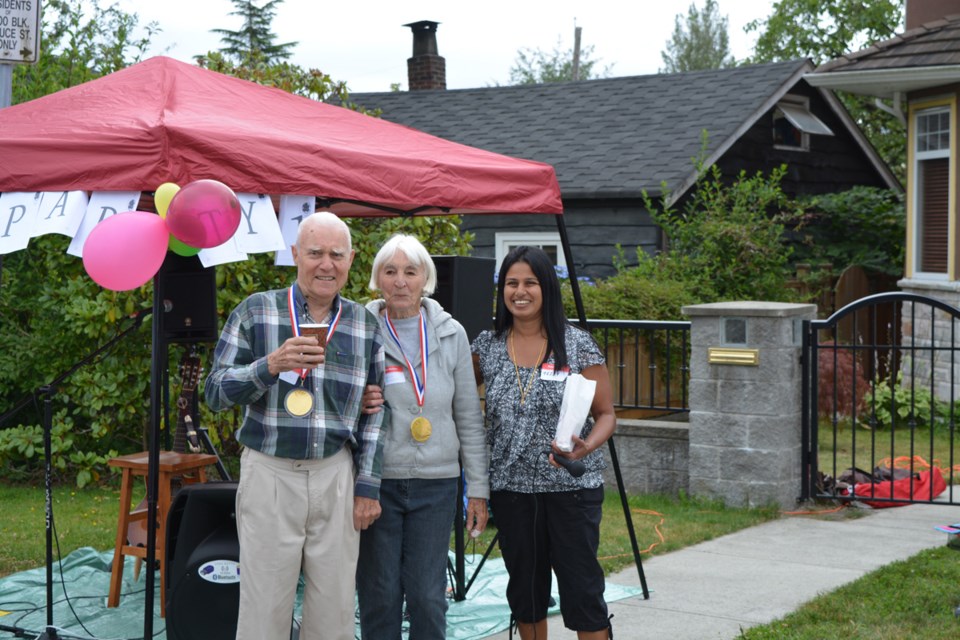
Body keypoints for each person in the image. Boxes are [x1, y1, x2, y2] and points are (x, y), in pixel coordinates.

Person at [204, 211, 385, 640]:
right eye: (315, 253)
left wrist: (368, 485)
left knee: (336, 609)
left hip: (336, 474)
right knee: (264, 606)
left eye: (336, 255)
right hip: (270, 473)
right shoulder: (255, 311)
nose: (327, 264)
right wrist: (269, 365)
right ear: (294, 255)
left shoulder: (364, 323)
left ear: (351, 259)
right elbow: (213, 393)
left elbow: (376, 412)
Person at [471, 246, 616, 640]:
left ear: (546, 287)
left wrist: (584, 447)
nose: (520, 291)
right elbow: (457, 401)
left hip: (571, 491)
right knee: (526, 593)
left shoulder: (577, 344)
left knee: (582, 591)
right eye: (512, 283)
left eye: (530, 282)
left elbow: (607, 415)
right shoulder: (487, 346)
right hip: (512, 493)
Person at [356, 234, 489, 639]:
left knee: (428, 596)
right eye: (390, 272)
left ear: (425, 279)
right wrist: (354, 399)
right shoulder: (358, 330)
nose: (400, 281)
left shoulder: (452, 334)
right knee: (379, 593)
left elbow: (468, 414)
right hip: (376, 483)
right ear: (377, 279)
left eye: (410, 272)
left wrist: (479, 489)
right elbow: (331, 396)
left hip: (437, 483)